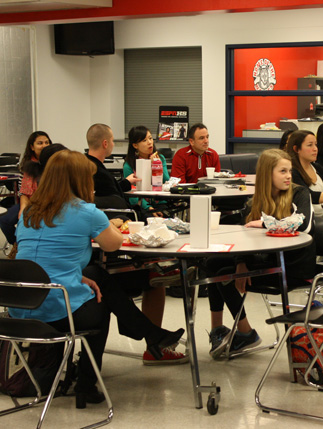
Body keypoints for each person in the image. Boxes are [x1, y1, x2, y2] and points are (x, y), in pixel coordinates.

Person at [10, 150, 184, 408]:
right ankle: (87, 385)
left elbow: (41, 261)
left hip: (22, 309)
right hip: (57, 311)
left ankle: (148, 333)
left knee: (95, 276)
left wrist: (78, 275)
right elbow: (113, 245)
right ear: (80, 181)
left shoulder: (28, 213)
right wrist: (107, 223)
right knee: (101, 300)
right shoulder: (85, 212)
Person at [86, 123, 187, 365]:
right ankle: (154, 342)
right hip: (83, 276)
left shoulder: (36, 216)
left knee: (113, 282)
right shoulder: (83, 210)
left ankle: (154, 340)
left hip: (64, 279)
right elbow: (113, 242)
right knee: (151, 279)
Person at [207, 149, 315, 359]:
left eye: (289, 171)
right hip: (268, 261)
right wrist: (241, 263)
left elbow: (303, 225)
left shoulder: (300, 193)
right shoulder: (255, 201)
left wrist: (266, 223)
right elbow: (246, 237)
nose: (288, 176)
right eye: (282, 171)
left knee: (221, 274)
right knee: (212, 264)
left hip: (293, 266)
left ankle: (245, 333)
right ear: (268, 174)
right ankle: (219, 331)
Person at [0, 131, 51, 252]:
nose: (44, 145)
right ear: (32, 147)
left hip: (49, 203)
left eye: (46, 142)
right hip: (29, 201)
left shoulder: (54, 165)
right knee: (4, 220)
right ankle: (18, 245)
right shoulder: (27, 166)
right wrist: (23, 210)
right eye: (40, 143)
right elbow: (23, 193)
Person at [123, 125, 170, 217]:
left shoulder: (160, 158)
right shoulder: (129, 165)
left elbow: (166, 181)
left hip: (160, 201)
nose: (149, 142)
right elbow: (132, 193)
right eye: (144, 140)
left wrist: (157, 165)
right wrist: (148, 208)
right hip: (142, 205)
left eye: (150, 138)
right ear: (135, 145)